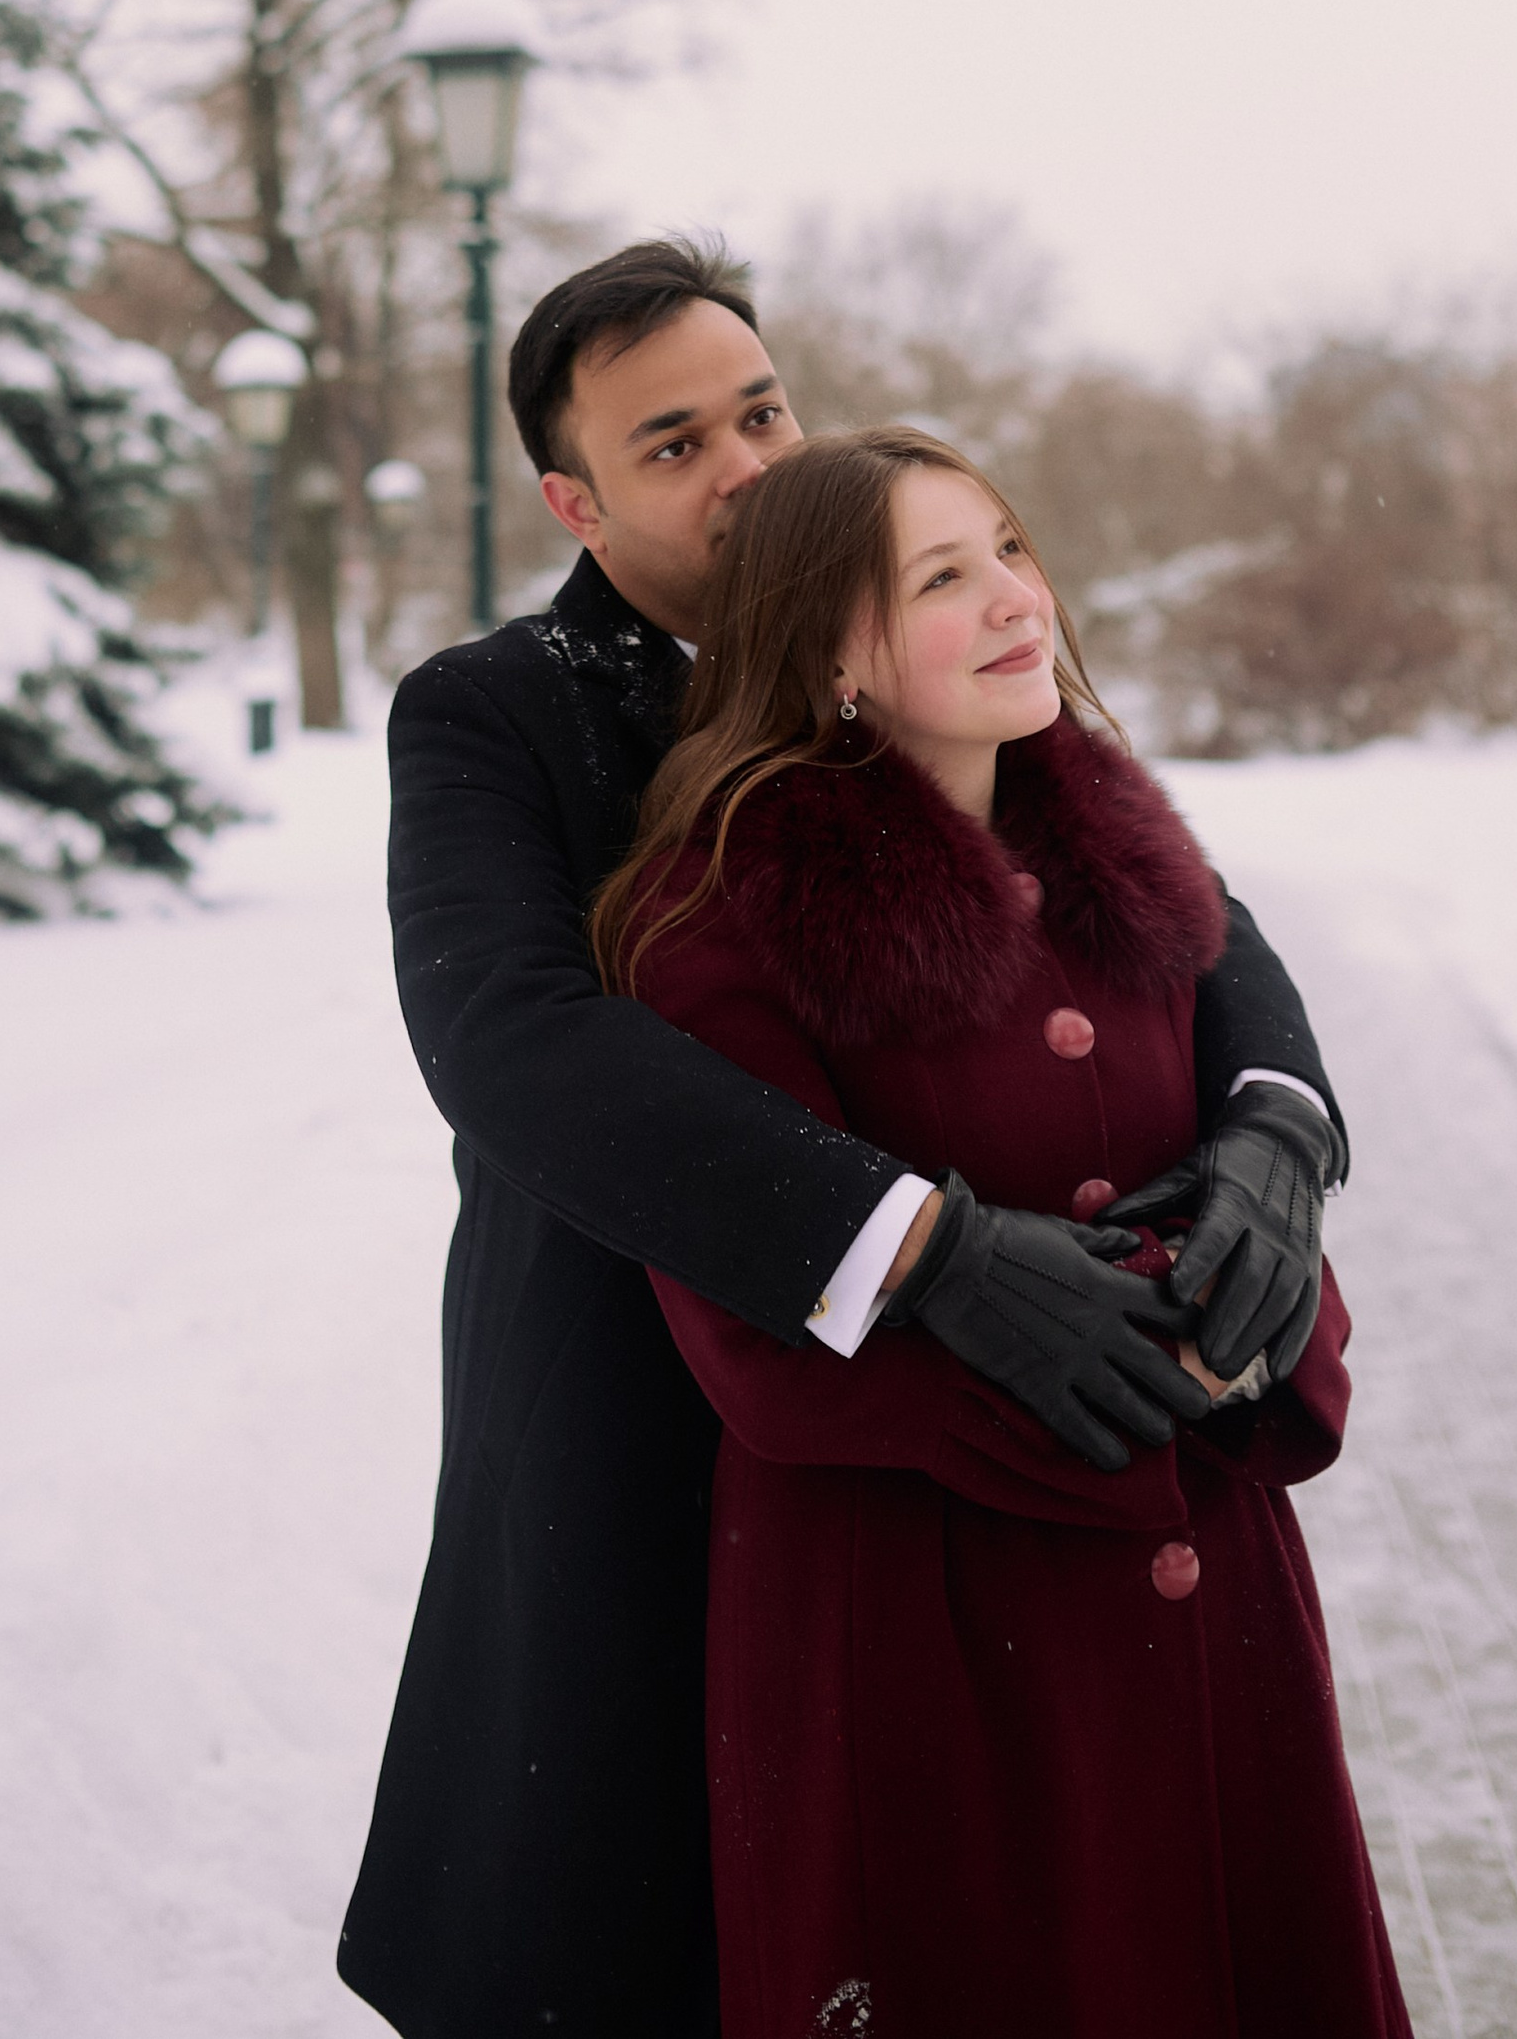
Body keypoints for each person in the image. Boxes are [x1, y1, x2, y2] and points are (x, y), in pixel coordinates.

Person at [338, 240, 1349, 2039]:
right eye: (672, 444)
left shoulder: (911, 629)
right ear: (572, 495)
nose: (743, 462)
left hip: (961, 1462)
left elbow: (1182, 900)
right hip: (640, 1403)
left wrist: (1276, 1122)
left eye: (761, 409)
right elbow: (509, 1035)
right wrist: (918, 1245)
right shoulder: (499, 709)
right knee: (647, 1935)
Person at [594, 423, 1408, 2038]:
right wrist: (1121, 1383)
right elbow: (755, 1345)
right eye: (942, 579)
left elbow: (1235, 1202)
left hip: (1215, 1617)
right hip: (928, 1644)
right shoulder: (720, 916)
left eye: (1012, 551)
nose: (1015, 601)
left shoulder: (1135, 868)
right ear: (828, 650)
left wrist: (1264, 1283)